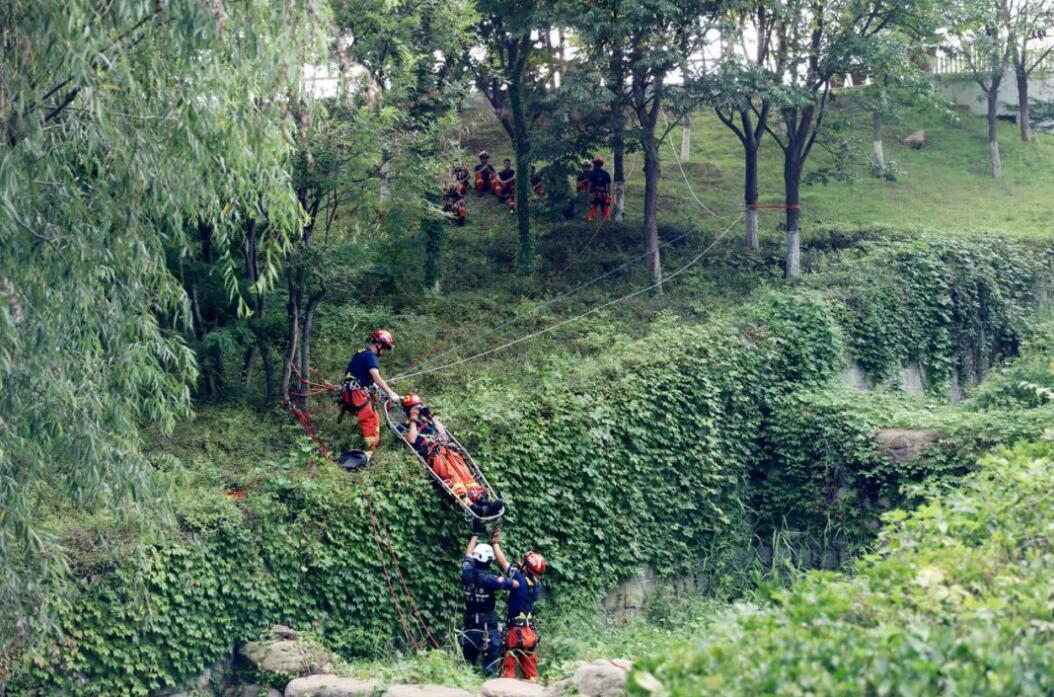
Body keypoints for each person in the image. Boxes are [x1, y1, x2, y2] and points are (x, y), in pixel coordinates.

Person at [399, 394, 504, 518]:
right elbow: (411, 440)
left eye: (419, 407)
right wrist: (413, 418)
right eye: (415, 408)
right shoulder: (404, 427)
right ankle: (474, 508)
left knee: (466, 476)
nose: (419, 410)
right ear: (408, 410)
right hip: (434, 455)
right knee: (453, 479)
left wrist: (430, 416)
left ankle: (483, 501)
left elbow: (443, 433)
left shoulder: (426, 421)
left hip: (448, 450)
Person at [461, 529, 519, 677]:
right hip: (486, 629)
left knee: (466, 667)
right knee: (491, 668)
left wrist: (475, 534)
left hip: (468, 628)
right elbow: (515, 584)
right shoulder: (490, 580)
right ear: (489, 561)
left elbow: (467, 556)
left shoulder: (466, 572)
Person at [338, 330, 400, 461]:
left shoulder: (362, 353)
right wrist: (391, 393)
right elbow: (376, 376)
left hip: (351, 392)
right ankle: (369, 453)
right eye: (385, 349)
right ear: (378, 344)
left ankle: (371, 448)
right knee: (370, 421)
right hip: (355, 394)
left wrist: (373, 385)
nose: (385, 352)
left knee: (374, 418)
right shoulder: (371, 356)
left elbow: (362, 375)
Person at [493, 529, 546, 681]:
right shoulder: (537, 586)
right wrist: (524, 570)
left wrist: (495, 543)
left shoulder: (518, 579)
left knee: (508, 670)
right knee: (531, 673)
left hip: (515, 632)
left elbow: (502, 562)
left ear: (526, 567)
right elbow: (530, 579)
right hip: (530, 633)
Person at [587, 156, 612, 221]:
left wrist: (588, 192)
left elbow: (589, 184)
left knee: (593, 205)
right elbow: (608, 185)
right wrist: (609, 194)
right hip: (604, 193)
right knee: (605, 206)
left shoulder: (592, 173)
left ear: (595, 164)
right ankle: (607, 218)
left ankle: (590, 217)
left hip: (594, 192)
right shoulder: (606, 173)